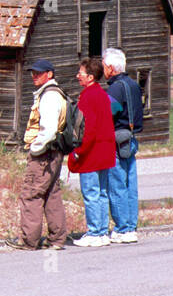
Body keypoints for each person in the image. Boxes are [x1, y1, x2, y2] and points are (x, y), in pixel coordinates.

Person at [7, 59, 70, 251]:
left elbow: (49, 129)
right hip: (54, 152)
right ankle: (57, 239)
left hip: (44, 153)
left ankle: (29, 240)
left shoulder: (49, 97)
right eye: (33, 72)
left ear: (49, 74)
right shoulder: (56, 94)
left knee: (31, 195)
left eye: (39, 73)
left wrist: (35, 148)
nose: (35, 76)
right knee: (52, 194)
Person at [69, 57, 116, 247]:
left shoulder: (88, 96)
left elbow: (88, 129)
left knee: (91, 193)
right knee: (102, 192)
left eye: (80, 73)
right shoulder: (103, 95)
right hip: (105, 150)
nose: (77, 76)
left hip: (92, 152)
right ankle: (103, 231)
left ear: (89, 77)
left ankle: (94, 232)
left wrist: (79, 151)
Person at [103, 47, 143, 243]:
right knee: (130, 184)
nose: (103, 70)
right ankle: (131, 226)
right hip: (132, 137)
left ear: (111, 68)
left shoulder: (115, 88)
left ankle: (122, 227)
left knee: (117, 184)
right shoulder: (134, 85)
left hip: (116, 139)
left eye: (104, 66)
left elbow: (109, 112)